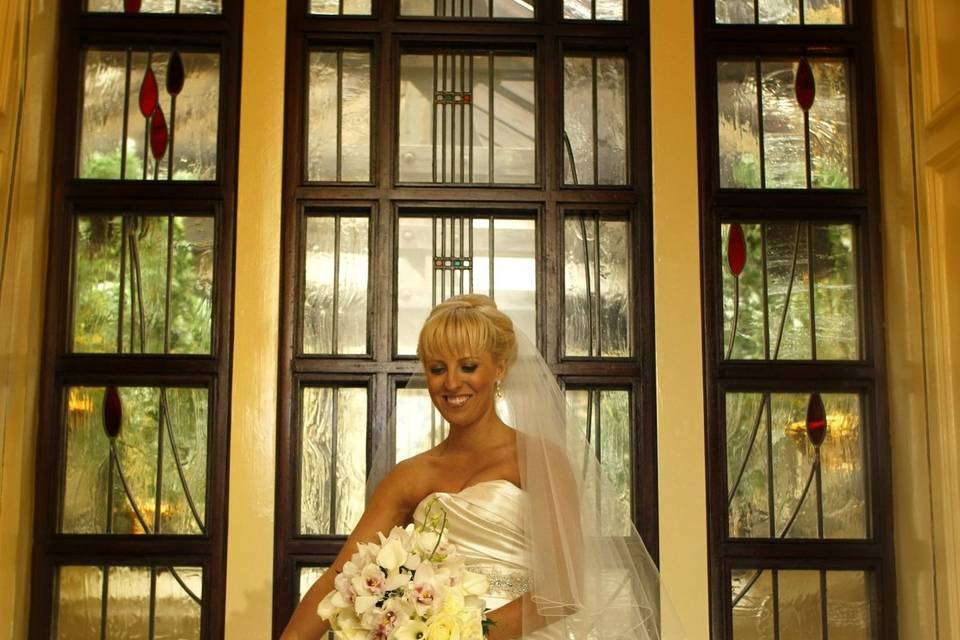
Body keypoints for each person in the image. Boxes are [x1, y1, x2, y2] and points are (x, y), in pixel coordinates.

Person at [281, 295, 666, 639]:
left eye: (467, 366)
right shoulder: (409, 475)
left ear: (499, 368)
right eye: (436, 368)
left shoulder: (540, 460)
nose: (451, 383)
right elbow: (341, 576)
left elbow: (564, 592)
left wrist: (467, 635)